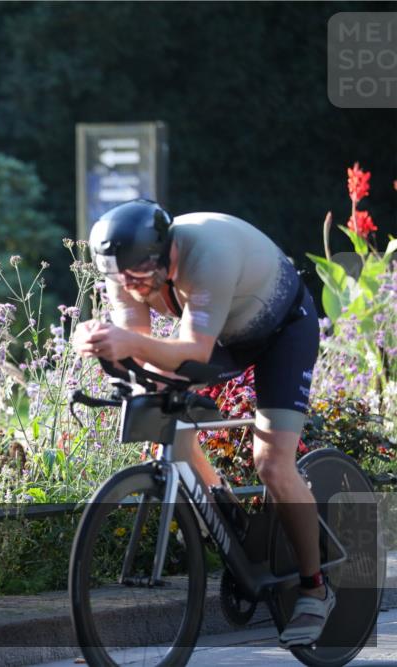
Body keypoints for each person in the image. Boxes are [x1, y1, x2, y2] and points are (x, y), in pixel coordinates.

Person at [74, 199, 332, 647]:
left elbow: (193, 347)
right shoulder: (123, 272)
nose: (133, 287)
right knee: (159, 415)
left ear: (166, 251)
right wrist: (106, 349)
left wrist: (128, 342)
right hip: (225, 337)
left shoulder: (207, 253)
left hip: (281, 331)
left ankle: (315, 589)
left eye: (140, 274)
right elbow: (142, 345)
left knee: (271, 462)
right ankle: (226, 507)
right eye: (121, 279)